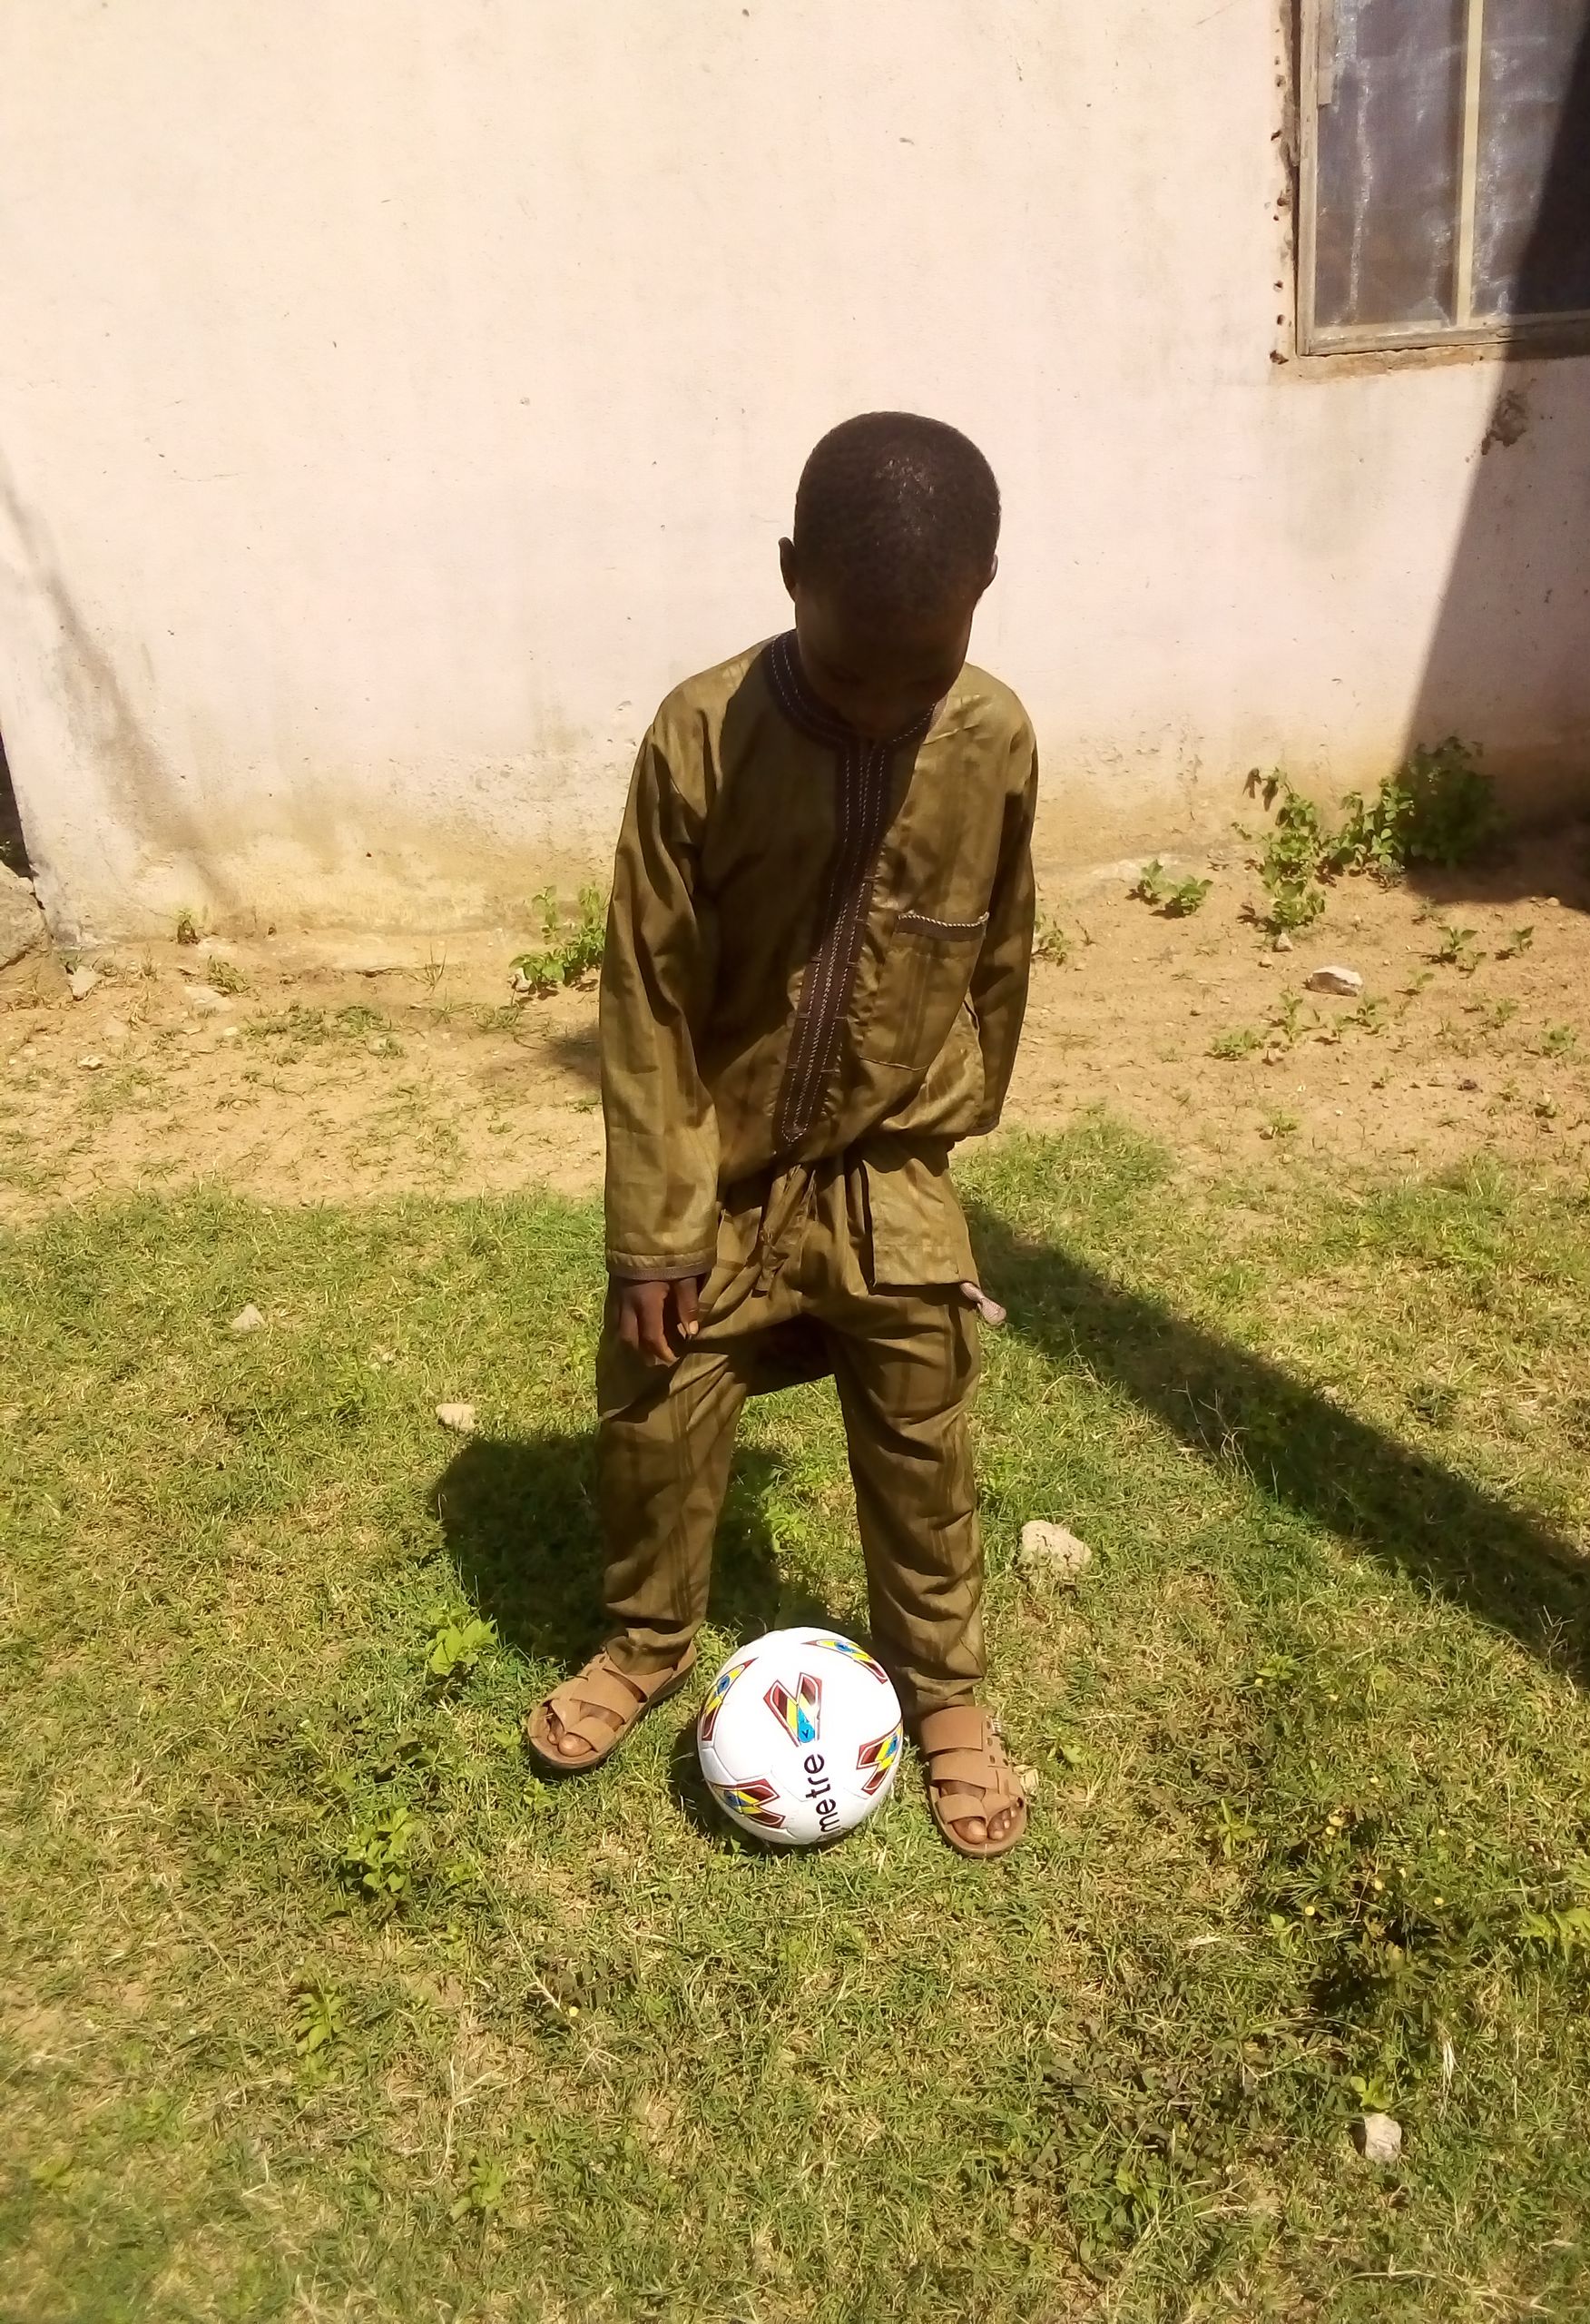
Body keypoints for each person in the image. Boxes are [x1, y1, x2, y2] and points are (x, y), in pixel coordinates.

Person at [525, 412, 1038, 1857]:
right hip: (722, 1161)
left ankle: (946, 1694)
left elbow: (999, 951)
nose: (884, 710)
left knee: (923, 1419)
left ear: (983, 595)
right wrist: (657, 1231)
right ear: (789, 573)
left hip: (884, 1160)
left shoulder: (993, 736)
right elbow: (647, 990)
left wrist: (934, 1136)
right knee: (657, 1400)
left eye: (920, 676)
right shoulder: (702, 736)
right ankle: (646, 1641)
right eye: (853, 673)